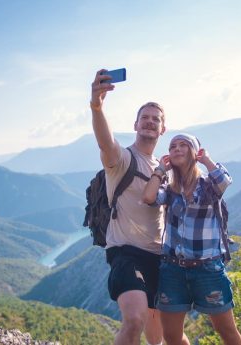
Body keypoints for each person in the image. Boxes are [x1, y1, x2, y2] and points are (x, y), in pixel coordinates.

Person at [142, 133, 241, 345]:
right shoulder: (170, 190)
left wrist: (205, 159)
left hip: (207, 269)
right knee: (171, 336)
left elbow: (224, 180)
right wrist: (161, 169)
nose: (177, 149)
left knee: (226, 331)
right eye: (172, 146)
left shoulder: (208, 186)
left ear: (194, 152)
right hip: (172, 271)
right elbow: (149, 197)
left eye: (183, 145)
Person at [90, 69, 165, 345]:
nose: (149, 122)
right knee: (134, 321)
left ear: (162, 129)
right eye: (144, 118)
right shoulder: (121, 160)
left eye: (155, 119)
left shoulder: (163, 170)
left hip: (159, 258)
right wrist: (97, 106)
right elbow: (105, 141)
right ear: (135, 125)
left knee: (158, 339)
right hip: (126, 254)